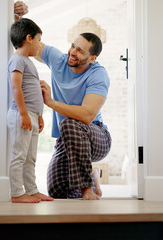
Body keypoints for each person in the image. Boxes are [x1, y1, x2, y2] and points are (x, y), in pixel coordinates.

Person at [37, 32, 111, 200]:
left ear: (92, 59)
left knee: (70, 123)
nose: (72, 52)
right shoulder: (58, 61)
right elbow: (30, 43)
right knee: (58, 191)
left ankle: (88, 189)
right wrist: (15, 18)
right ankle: (91, 173)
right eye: (72, 46)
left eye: (80, 51)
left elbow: (87, 116)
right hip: (68, 138)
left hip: (97, 138)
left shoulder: (98, 75)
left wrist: (51, 103)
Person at [7, 18, 53, 203]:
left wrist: (39, 116)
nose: (40, 45)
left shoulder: (27, 61)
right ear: (29, 38)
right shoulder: (17, 60)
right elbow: (16, 88)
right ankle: (17, 193)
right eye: (39, 40)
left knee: (30, 157)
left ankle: (32, 190)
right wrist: (24, 113)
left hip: (32, 115)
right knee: (19, 156)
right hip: (21, 115)